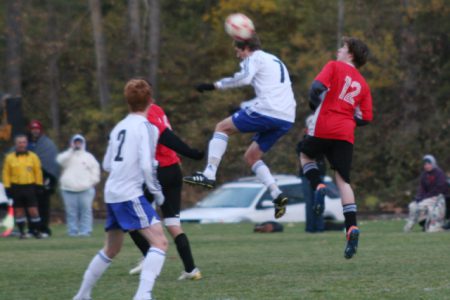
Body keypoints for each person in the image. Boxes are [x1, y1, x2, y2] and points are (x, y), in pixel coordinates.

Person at [183, 34, 297, 219]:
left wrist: (215, 85)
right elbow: (271, 92)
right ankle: (277, 194)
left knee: (222, 127)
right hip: (286, 117)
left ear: (246, 48)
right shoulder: (274, 59)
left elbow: (244, 78)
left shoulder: (254, 58)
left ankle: (209, 173)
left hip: (268, 111)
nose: (238, 56)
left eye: (238, 52)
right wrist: (244, 107)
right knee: (252, 156)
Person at [73, 79, 167, 300]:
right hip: (129, 194)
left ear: (127, 102)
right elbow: (146, 165)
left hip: (112, 193)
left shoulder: (119, 127)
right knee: (160, 242)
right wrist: (157, 190)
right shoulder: (146, 127)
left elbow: (107, 164)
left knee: (111, 249)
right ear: (150, 102)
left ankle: (82, 295)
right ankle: (143, 295)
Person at [299, 37, 372, 259]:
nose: (339, 50)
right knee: (343, 180)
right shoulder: (364, 84)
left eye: (343, 47)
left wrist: (313, 103)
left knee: (304, 154)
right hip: (345, 133)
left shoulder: (333, 65)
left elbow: (316, 87)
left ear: (350, 54)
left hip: (324, 126)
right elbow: (367, 117)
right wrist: (350, 120)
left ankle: (318, 185)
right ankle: (351, 226)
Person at [128, 92, 204, 280]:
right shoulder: (158, 110)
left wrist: (191, 153)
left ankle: (149, 258)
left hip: (158, 172)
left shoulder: (148, 114)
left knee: (131, 218)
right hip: (173, 170)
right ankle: (191, 269)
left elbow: (165, 137)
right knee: (173, 223)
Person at [56, 134, 101, 237]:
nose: (77, 144)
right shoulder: (67, 156)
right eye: (75, 142)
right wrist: (71, 150)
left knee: (86, 211)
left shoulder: (88, 157)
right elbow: (60, 161)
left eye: (79, 142)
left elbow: (95, 170)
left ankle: (85, 231)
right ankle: (72, 231)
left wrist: (92, 182)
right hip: (68, 189)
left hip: (85, 189)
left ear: (83, 143)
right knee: (71, 212)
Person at [2, 134, 44, 239]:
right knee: (19, 211)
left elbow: (38, 172)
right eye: (19, 142)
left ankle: (37, 232)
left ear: (26, 143)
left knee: (33, 211)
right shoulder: (9, 158)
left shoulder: (33, 156)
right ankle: (22, 233)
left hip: (30, 186)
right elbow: (6, 173)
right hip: (16, 187)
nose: (22, 144)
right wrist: (7, 187)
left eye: (24, 142)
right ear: (16, 144)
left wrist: (39, 185)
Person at [27, 120, 59, 237]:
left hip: (44, 178)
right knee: (30, 207)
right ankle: (32, 229)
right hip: (28, 179)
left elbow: (51, 162)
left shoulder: (47, 144)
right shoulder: (26, 143)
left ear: (40, 130)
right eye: (32, 129)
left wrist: (49, 180)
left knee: (43, 206)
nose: (35, 131)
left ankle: (44, 229)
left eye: (37, 129)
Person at [404, 155, 448, 233]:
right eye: (425, 164)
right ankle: (410, 225)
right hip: (427, 199)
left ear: (433, 163)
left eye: (429, 163)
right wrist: (419, 197)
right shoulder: (424, 175)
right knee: (413, 206)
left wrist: (425, 197)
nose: (427, 166)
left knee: (432, 230)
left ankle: (436, 226)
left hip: (438, 200)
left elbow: (439, 188)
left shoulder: (439, 173)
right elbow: (422, 188)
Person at [297, 115, 326, 233]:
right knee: (309, 203)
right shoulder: (302, 142)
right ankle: (310, 228)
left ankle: (320, 227)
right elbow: (302, 153)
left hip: (319, 175)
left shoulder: (323, 140)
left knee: (318, 201)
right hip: (306, 176)